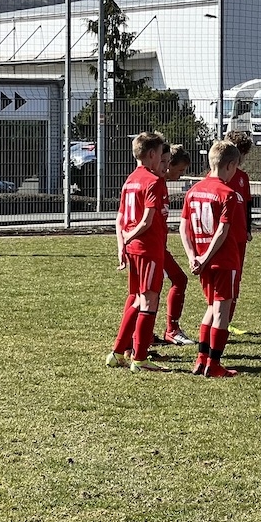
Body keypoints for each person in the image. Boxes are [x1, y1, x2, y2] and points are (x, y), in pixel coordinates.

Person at [180, 140, 248, 377]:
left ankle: (202, 360)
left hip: (201, 259)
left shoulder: (193, 191)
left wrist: (193, 256)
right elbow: (222, 230)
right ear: (230, 166)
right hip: (223, 259)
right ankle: (214, 364)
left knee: (211, 307)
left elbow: (183, 226)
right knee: (221, 311)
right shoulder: (228, 193)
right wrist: (207, 257)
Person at [107, 131, 171, 373]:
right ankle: (140, 358)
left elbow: (120, 217)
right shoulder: (153, 181)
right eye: (161, 154)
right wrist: (130, 236)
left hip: (134, 249)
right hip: (147, 247)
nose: (163, 160)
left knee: (136, 298)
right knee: (149, 299)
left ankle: (117, 353)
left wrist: (122, 243)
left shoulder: (130, 180)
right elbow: (146, 220)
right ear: (152, 154)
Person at [157, 145, 196, 347]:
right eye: (180, 170)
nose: (181, 175)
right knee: (178, 280)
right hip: (152, 248)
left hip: (155, 246)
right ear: (168, 164)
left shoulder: (159, 183)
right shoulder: (156, 183)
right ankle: (171, 330)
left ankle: (141, 334)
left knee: (148, 290)